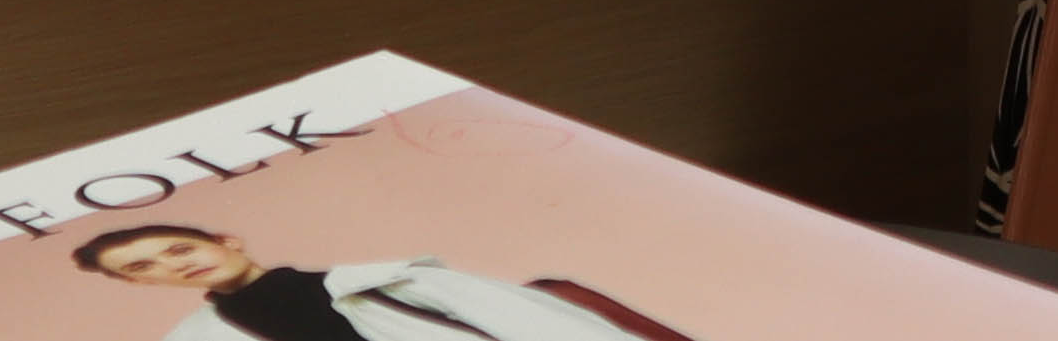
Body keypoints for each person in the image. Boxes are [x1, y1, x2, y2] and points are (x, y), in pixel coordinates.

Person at [72, 225, 693, 341]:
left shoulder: (394, 280)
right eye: (143, 268)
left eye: (180, 248)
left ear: (225, 241)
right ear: (137, 287)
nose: (174, 266)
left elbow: (550, 330)